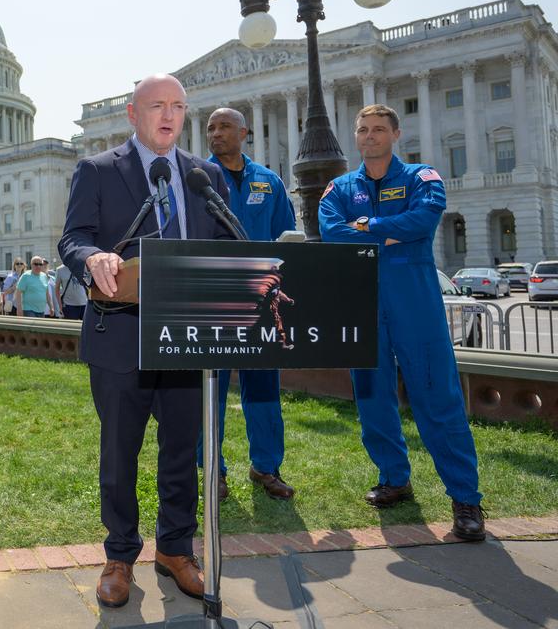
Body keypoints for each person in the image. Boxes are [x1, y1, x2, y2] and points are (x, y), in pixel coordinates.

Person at [58, 74, 235, 608]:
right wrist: (91, 258)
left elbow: (229, 240)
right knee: (120, 452)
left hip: (189, 336)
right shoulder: (97, 169)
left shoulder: (205, 176)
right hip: (121, 332)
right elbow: (73, 237)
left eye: (178, 106)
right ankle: (119, 555)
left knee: (182, 449)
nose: (169, 115)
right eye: (157, 105)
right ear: (133, 114)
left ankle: (176, 549)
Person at [320, 104, 485, 541]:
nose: (370, 136)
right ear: (355, 137)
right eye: (363, 130)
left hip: (414, 301)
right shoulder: (338, 187)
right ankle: (394, 477)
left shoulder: (421, 177)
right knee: (372, 397)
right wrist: (389, 232)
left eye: (378, 129)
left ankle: (465, 498)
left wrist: (369, 225)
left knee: (437, 396)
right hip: (361, 302)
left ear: (396, 134)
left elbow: (424, 219)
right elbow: (332, 231)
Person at [194, 107, 297, 502]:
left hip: (261, 302)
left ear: (244, 132)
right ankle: (213, 471)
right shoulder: (196, 180)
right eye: (210, 128)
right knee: (210, 390)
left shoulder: (269, 182)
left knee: (264, 389)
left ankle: (266, 467)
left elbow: (288, 236)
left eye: (224, 127)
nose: (216, 133)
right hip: (213, 301)